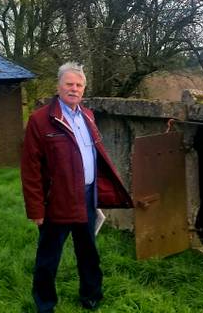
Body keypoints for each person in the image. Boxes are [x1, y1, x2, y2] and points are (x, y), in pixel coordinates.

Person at [21, 62, 133, 313]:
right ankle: (45, 304)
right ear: (58, 86)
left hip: (87, 197)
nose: (74, 89)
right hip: (56, 202)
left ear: (84, 89)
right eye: (69, 84)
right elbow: (30, 170)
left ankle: (91, 296)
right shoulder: (41, 121)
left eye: (79, 85)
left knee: (88, 253)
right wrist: (36, 210)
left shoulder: (88, 116)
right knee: (48, 259)